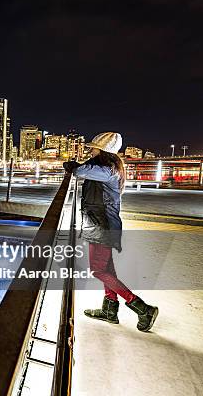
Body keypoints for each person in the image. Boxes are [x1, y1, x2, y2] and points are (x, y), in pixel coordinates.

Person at [63, 132, 159, 332]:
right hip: (99, 224)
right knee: (107, 269)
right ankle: (109, 309)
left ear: (103, 151)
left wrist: (74, 167)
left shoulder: (108, 170)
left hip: (102, 226)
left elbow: (82, 171)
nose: (91, 150)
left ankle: (142, 308)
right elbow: (85, 171)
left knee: (98, 270)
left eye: (94, 148)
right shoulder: (109, 168)